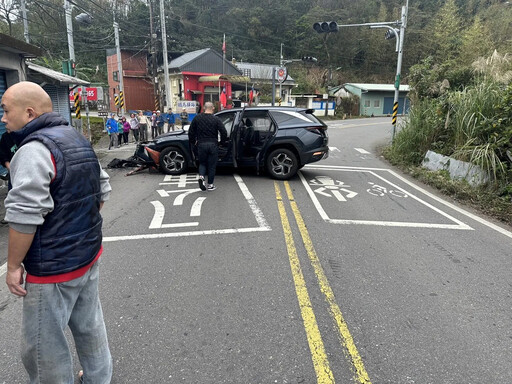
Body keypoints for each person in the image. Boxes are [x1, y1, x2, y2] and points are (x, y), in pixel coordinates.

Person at [1, 81, 113, 383]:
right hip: (88, 255)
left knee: (43, 347)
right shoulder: (76, 138)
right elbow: (102, 189)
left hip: (52, 268)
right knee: (90, 326)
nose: (2, 118)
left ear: (28, 112)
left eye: (5, 110)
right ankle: (98, 379)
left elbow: (24, 216)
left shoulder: (33, 150)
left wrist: (13, 267)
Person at [188, 101, 228, 191]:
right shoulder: (216, 119)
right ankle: (210, 185)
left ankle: (201, 177)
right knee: (212, 165)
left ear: (204, 108)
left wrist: (194, 142)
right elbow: (224, 132)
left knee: (202, 163)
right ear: (213, 108)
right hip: (213, 144)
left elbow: (191, 132)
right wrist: (222, 142)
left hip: (201, 144)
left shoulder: (197, 118)